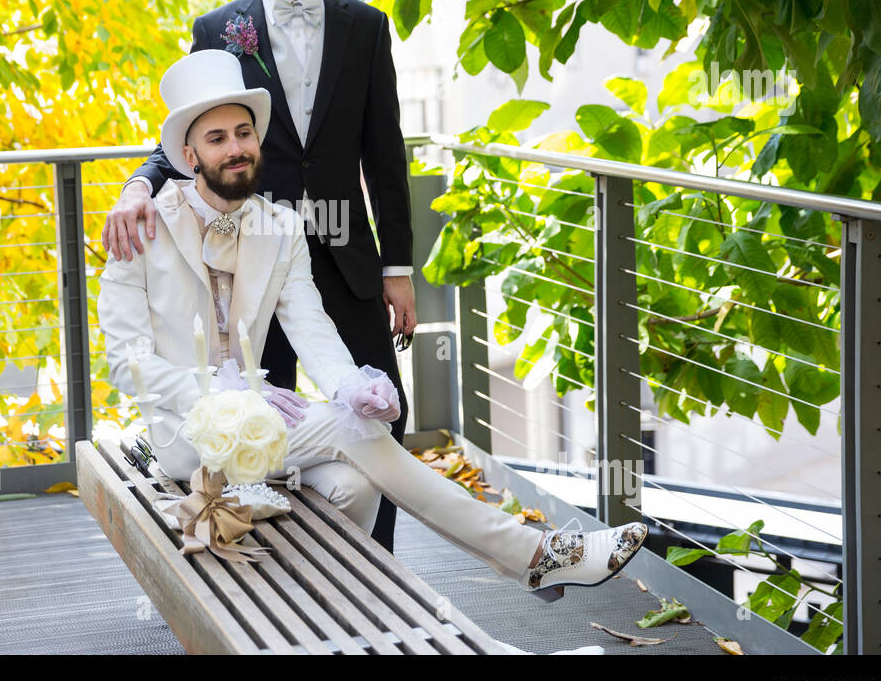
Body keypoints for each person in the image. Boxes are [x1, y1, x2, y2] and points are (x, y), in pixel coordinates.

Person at [97, 49, 649, 619]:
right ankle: (533, 553)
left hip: (261, 430)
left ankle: (319, 617)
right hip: (183, 437)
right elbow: (125, 362)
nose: (236, 148)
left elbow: (310, 324)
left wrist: (347, 385)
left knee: (351, 483)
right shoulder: (141, 229)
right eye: (217, 139)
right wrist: (229, 395)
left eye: (244, 133)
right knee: (352, 433)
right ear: (189, 155)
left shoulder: (281, 229)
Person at [100, 0, 417, 553]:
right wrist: (135, 186)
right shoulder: (219, 30)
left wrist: (398, 268)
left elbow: (385, 156)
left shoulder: (366, 26)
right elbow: (191, 139)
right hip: (256, 252)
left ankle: (376, 564)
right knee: (257, 424)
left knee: (380, 410)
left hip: (344, 251)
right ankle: (271, 559)